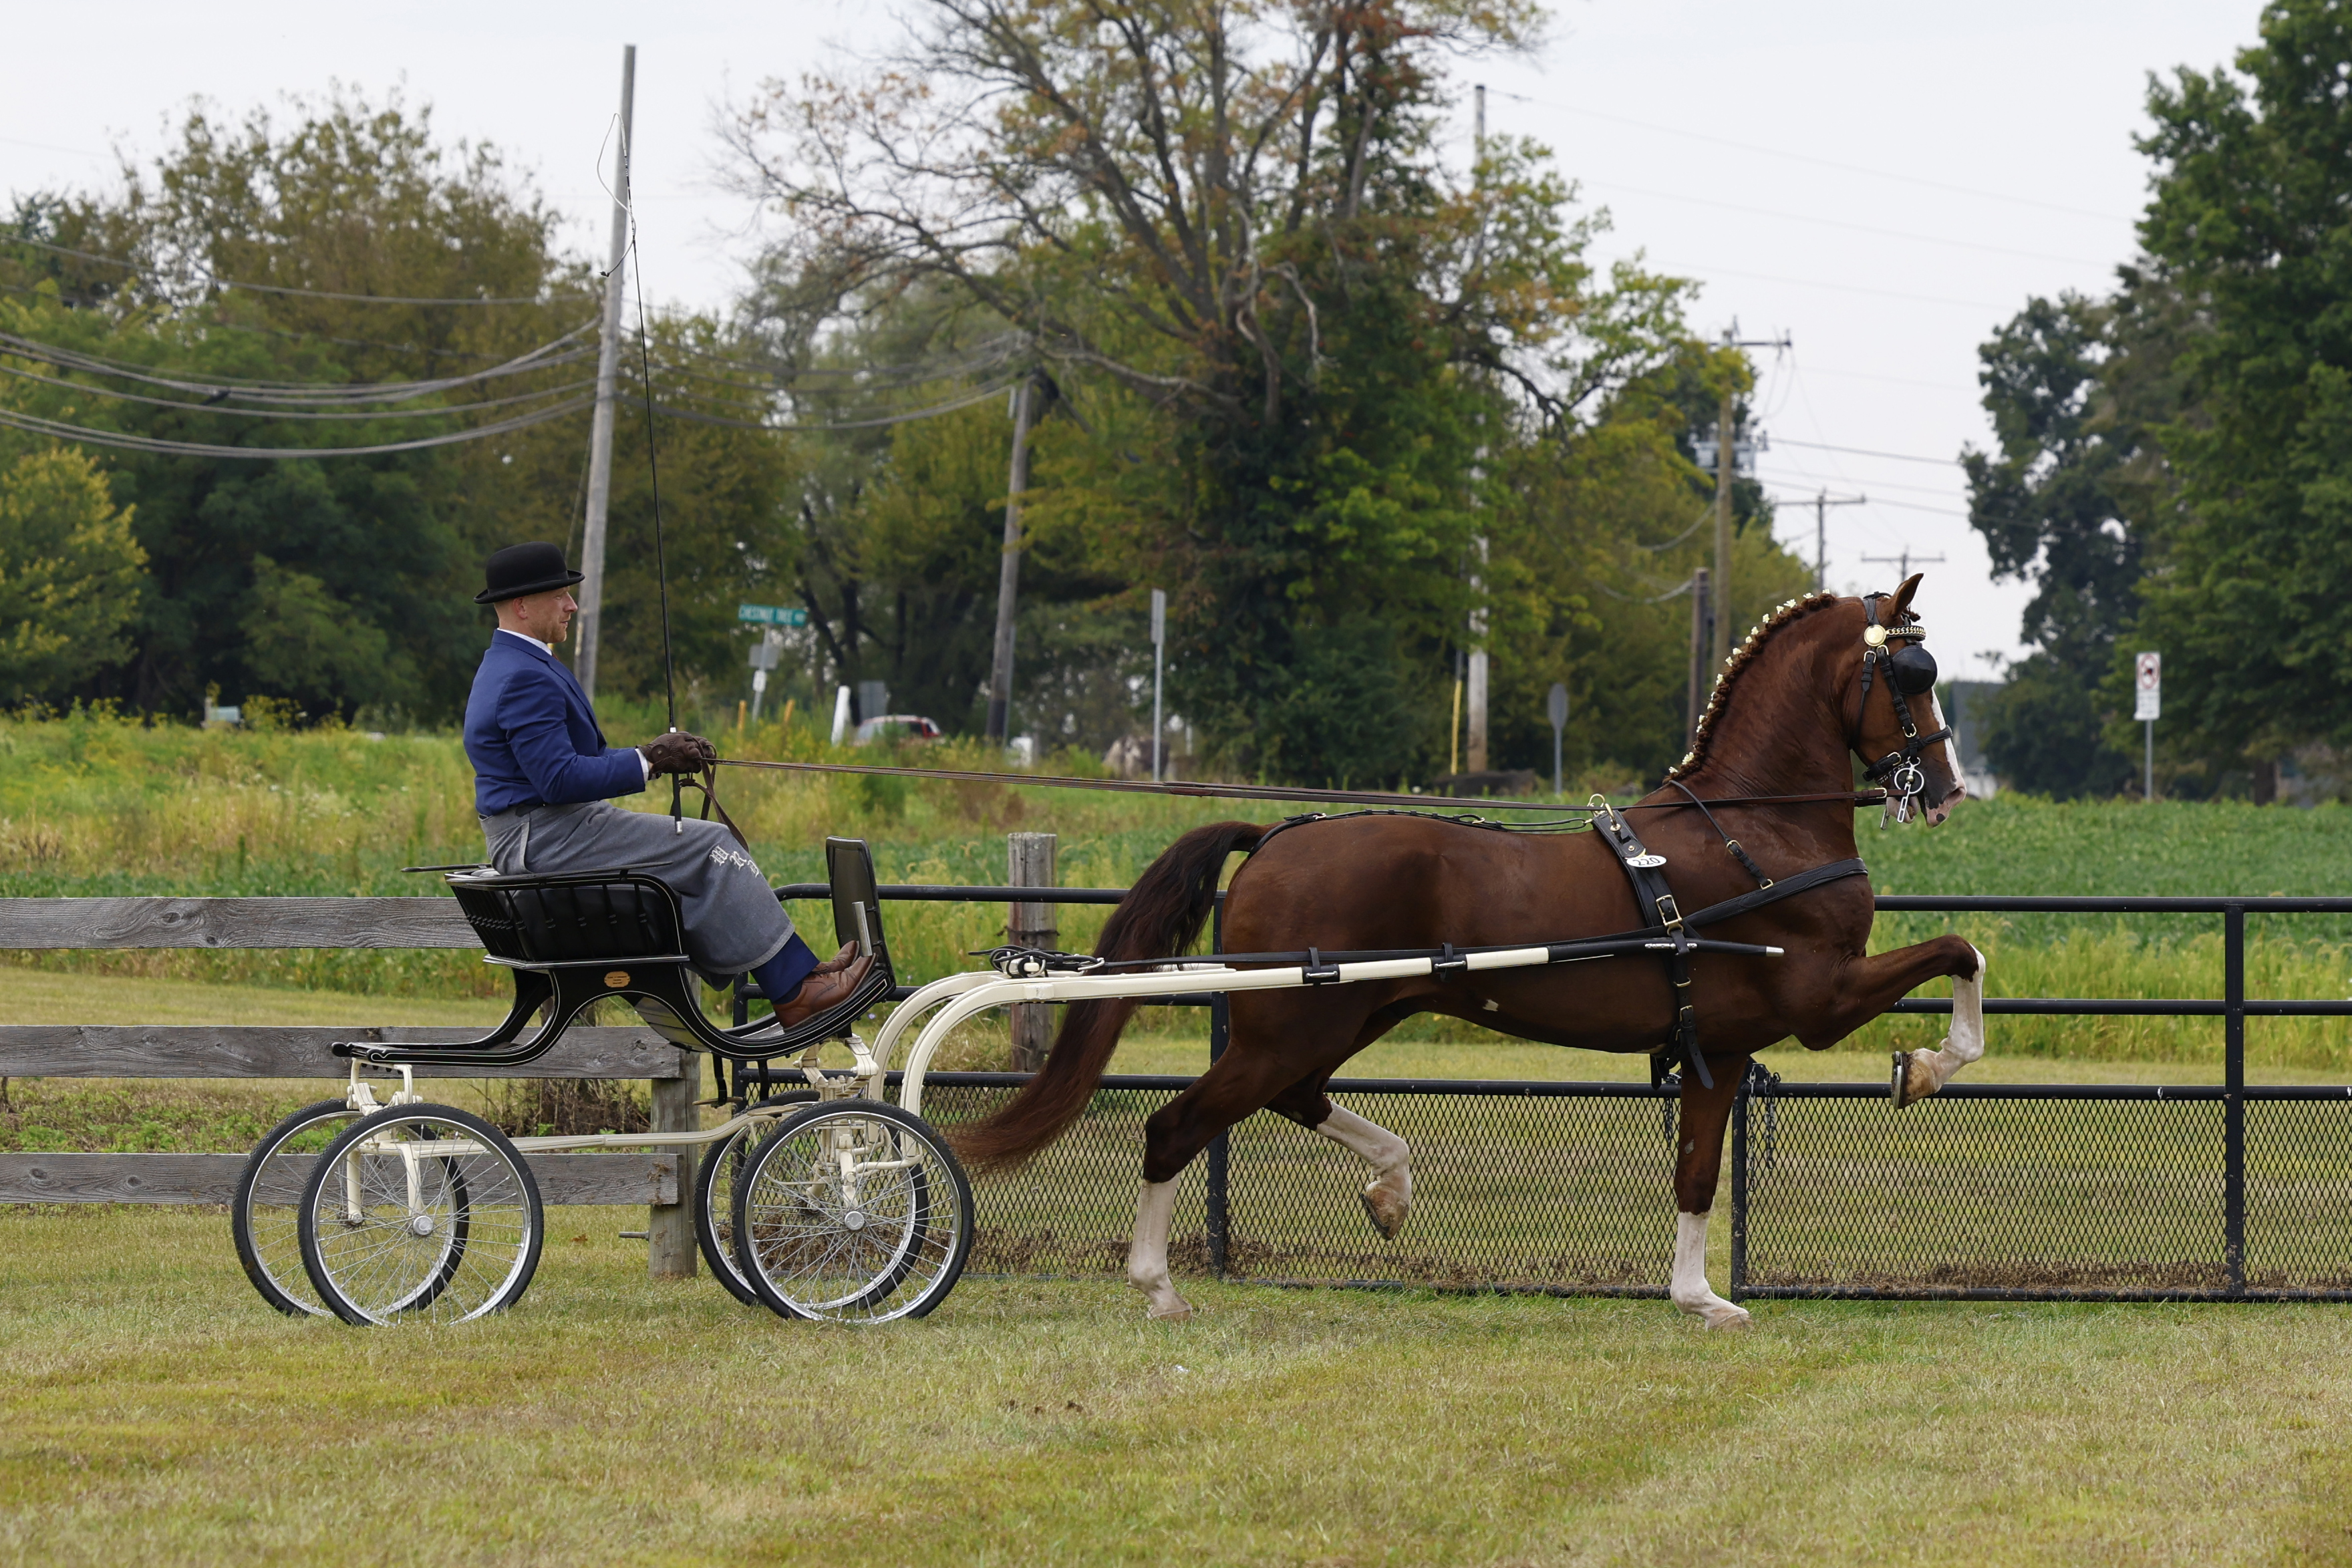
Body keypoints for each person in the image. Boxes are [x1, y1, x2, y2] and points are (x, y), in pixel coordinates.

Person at [462, 541, 871, 1028]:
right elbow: (558, 778)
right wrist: (649, 761)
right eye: (560, 595)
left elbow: (570, 764)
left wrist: (652, 756)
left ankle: (799, 971)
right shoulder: (523, 676)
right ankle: (796, 989)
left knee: (699, 848)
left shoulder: (516, 664)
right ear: (523, 605)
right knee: (709, 845)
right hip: (547, 836)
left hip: (549, 829)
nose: (572, 605)